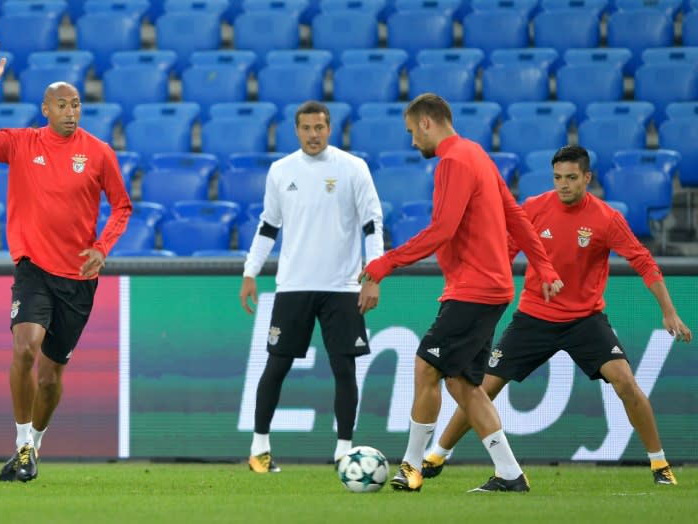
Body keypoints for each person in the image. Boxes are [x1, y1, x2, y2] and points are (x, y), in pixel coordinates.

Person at [422, 145, 692, 486]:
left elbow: (643, 262)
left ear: (587, 178)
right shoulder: (534, 208)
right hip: (533, 316)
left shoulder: (606, 219)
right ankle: (437, 454)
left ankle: (659, 465)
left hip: (585, 321)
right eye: (557, 178)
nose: (563, 185)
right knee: (484, 387)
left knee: (625, 382)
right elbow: (502, 252)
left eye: (571, 178)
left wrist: (669, 312)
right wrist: (464, 287)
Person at [358, 93, 563, 493]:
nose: (413, 142)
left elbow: (442, 230)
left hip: (474, 288)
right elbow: (517, 216)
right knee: (462, 384)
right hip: (492, 287)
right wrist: (544, 266)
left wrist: (383, 265)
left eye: (412, 132)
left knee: (425, 367)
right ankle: (510, 474)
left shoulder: (452, 160)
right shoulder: (477, 155)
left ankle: (412, 468)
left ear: (427, 122)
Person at [0, 38, 132, 482]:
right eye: (62, 105)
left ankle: (32, 446)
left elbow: (122, 206)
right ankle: (20, 441)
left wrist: (103, 247)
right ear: (45, 109)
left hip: (78, 277)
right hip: (33, 267)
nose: (71, 111)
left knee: (52, 375)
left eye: (76, 104)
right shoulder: (21, 144)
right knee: (25, 347)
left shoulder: (98, 153)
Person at [240, 100, 384, 473]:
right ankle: (259, 450)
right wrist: (250, 272)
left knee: (344, 369)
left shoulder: (353, 168)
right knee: (277, 365)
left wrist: (374, 274)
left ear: (329, 128)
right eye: (306, 128)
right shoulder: (281, 170)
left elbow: (372, 223)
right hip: (294, 286)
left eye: (319, 127)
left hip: (342, 286)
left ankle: (344, 451)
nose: (313, 135)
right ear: (296, 130)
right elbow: (268, 225)